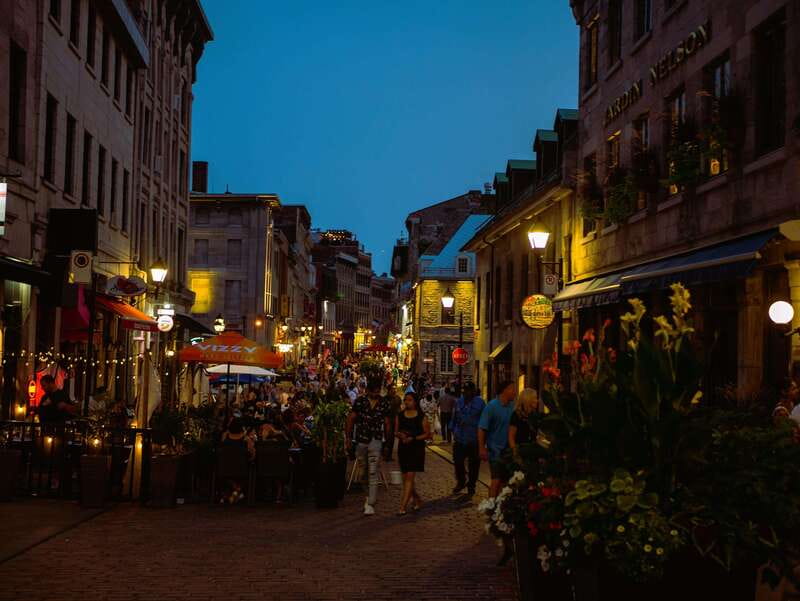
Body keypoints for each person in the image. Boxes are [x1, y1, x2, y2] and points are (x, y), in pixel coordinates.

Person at [345, 377, 391, 515]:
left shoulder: (384, 403)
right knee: (362, 471)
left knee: (373, 471)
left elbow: (387, 423)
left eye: (378, 391)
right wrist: (348, 437)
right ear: (368, 390)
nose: (376, 394)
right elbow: (351, 418)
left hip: (376, 439)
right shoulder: (360, 402)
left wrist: (387, 443)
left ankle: (371, 502)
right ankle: (367, 496)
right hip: (361, 439)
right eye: (373, 391)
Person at [479, 381, 517, 499]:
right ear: (504, 390)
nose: (515, 392)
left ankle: (499, 505)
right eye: (512, 389)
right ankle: (491, 505)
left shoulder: (512, 406)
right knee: (496, 480)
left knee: (505, 482)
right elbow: (482, 428)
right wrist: (482, 448)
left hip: (508, 451)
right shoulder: (491, 406)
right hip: (495, 450)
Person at [395, 392, 431, 515]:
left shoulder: (421, 416)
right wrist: (401, 435)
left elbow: (427, 434)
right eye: (406, 400)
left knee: (410, 477)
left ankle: (402, 506)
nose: (407, 402)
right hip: (403, 448)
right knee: (406, 478)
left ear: (415, 402)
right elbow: (396, 431)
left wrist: (414, 438)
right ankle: (417, 499)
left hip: (416, 449)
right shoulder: (400, 415)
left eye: (410, 400)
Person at [450, 381, 485, 497]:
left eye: (469, 390)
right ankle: (461, 481)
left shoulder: (480, 403)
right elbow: (454, 417)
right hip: (460, 438)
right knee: (458, 461)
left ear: (474, 391)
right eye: (465, 390)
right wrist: (453, 429)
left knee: (474, 465)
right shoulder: (459, 402)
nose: (467, 393)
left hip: (474, 439)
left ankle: (471, 486)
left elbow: (484, 420)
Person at [508, 387, 539, 454]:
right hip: (520, 451)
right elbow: (511, 437)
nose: (537, 401)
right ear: (528, 399)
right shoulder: (517, 415)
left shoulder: (534, 415)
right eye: (535, 398)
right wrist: (515, 452)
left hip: (532, 452)